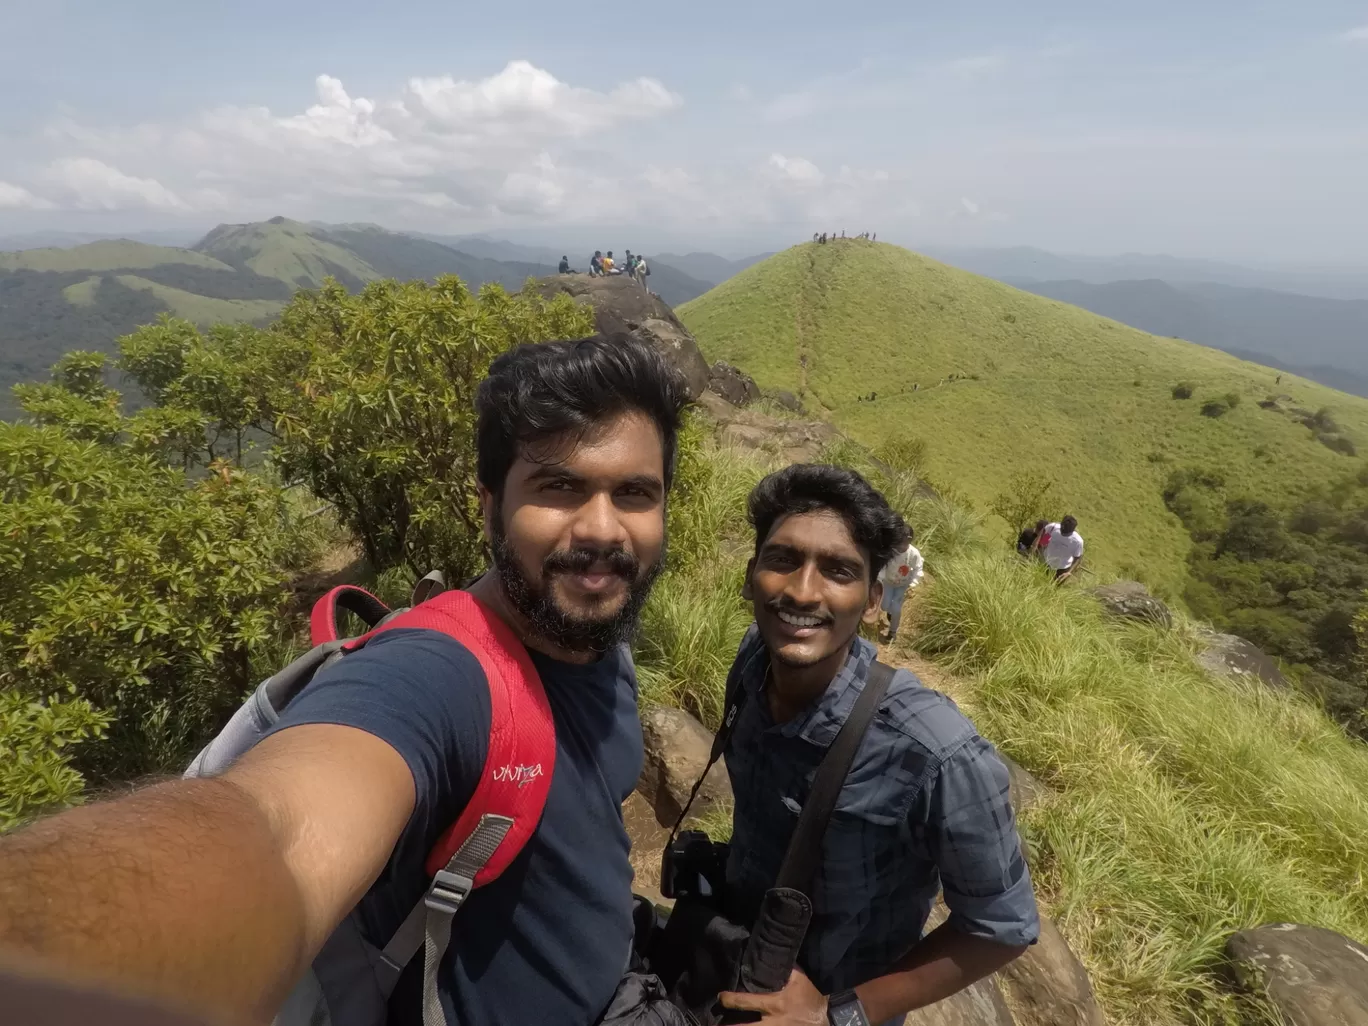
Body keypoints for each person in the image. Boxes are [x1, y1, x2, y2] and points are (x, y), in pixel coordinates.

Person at [0, 336, 691, 1026]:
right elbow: (283, 835)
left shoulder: (603, 644)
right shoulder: (437, 677)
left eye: (634, 493)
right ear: (489, 507)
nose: (603, 528)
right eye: (559, 486)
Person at [717, 465, 1039, 1026]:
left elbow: (1002, 927)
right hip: (740, 959)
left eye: (837, 570)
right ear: (751, 576)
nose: (801, 590)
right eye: (782, 559)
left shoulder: (936, 752)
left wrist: (836, 1014)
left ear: (872, 600)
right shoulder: (753, 659)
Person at [877, 530, 923, 641]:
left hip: (902, 585)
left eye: (906, 542)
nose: (902, 546)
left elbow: (917, 569)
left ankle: (892, 632)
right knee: (884, 605)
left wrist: (913, 584)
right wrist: (879, 579)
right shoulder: (890, 551)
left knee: (897, 608)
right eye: (900, 542)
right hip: (888, 582)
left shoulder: (913, 554)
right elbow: (883, 566)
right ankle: (889, 612)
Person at [1040, 514, 1084, 581]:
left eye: (1066, 533)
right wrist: (1040, 552)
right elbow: (1044, 540)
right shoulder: (1053, 528)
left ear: (1073, 530)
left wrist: (1068, 572)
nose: (1063, 533)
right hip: (1045, 562)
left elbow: (1077, 558)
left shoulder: (1077, 541)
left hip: (1062, 569)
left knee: (1053, 588)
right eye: (1062, 529)